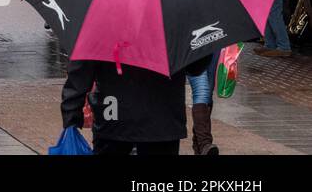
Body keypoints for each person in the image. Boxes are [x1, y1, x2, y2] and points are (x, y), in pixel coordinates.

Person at [61, 56, 212, 155]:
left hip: (113, 114)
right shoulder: (175, 18)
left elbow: (82, 66)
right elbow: (196, 67)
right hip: (162, 118)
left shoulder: (104, 18)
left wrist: (71, 113)